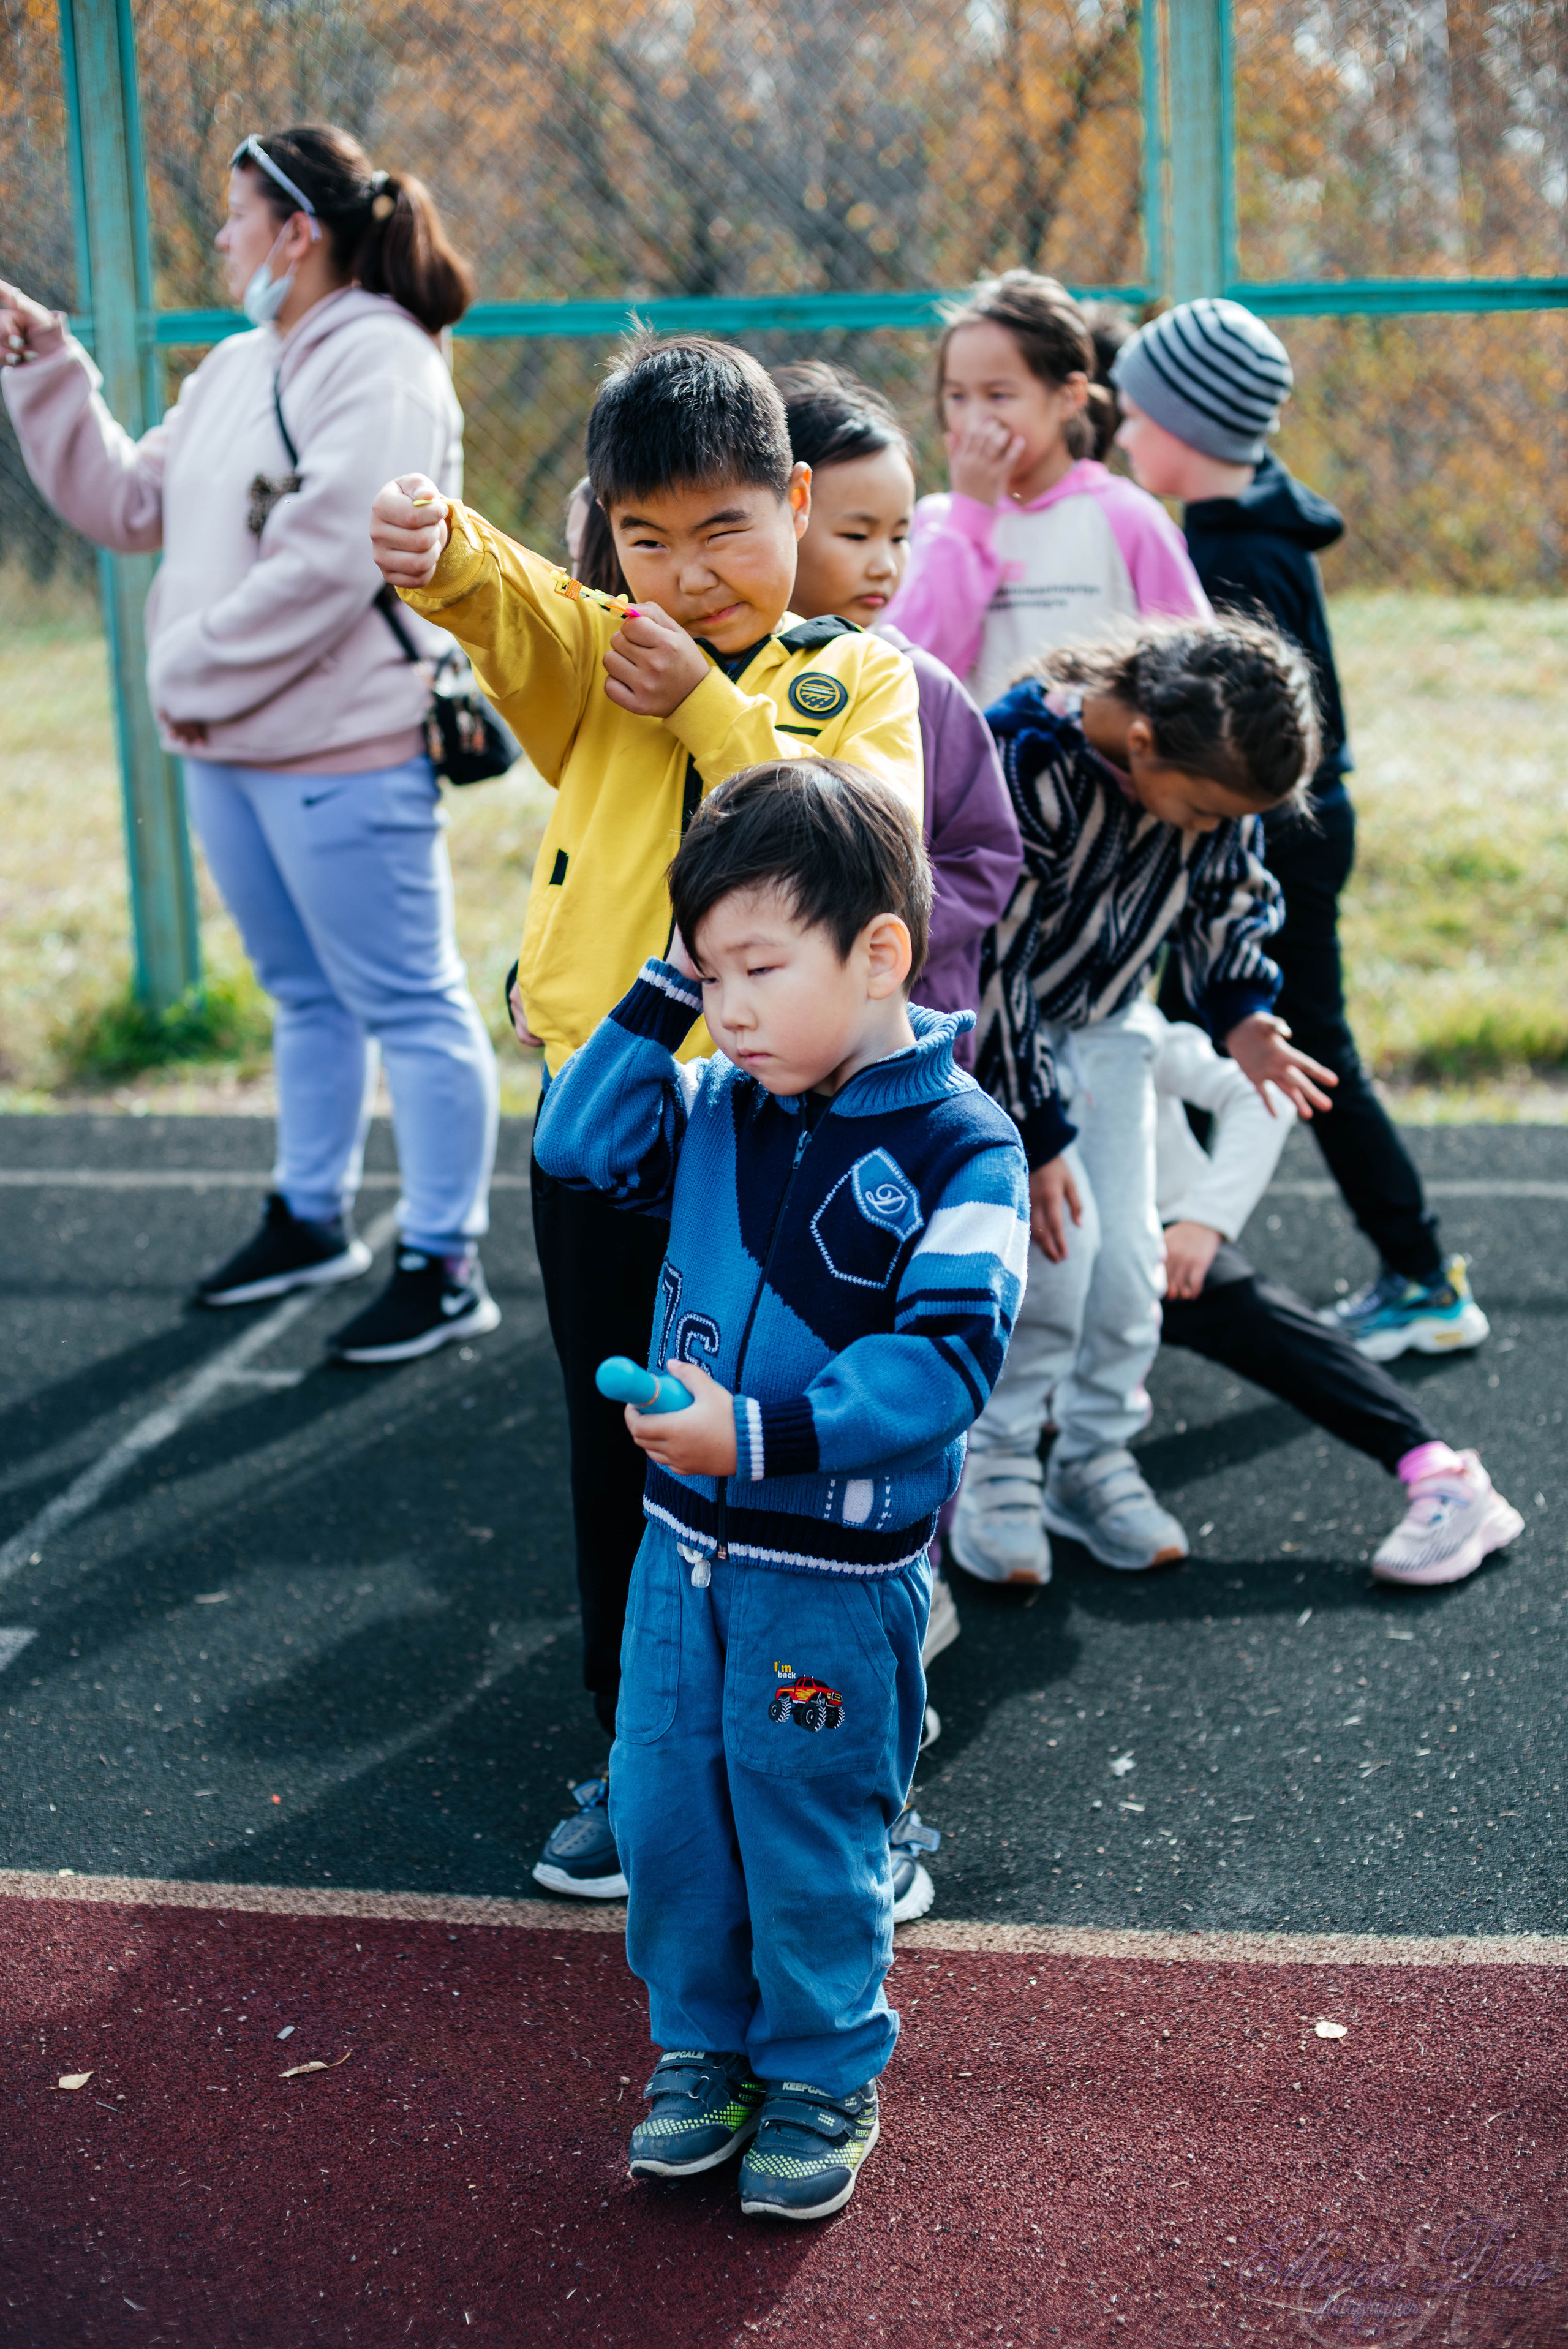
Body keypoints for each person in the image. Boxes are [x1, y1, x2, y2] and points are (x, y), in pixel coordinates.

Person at [368, 335, 924, 1897]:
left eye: (725, 529)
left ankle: (830, 1769)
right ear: (604, 529)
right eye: (644, 537)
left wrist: (705, 710)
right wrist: (437, 540)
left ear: (797, 501)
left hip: (787, 1132)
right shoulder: (604, 653)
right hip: (612, 1117)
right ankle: (636, 1754)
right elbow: (510, 607)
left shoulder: (852, 673)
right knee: (620, 1438)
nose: (686, 577)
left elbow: (854, 846)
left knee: (795, 1448)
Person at [532, 759, 1029, 2220]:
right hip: (678, 1557)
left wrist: (755, 1434)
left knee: (806, 1818)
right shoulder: (705, 1100)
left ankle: (819, 2067)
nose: (729, 1007)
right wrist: (653, 990)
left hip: (826, 1572)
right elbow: (571, 1147)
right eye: (708, 972)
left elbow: (939, 1365)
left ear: (879, 952)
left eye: (758, 967)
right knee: (667, 1810)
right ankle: (701, 2051)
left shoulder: (961, 1146)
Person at [0, 127, 501, 1365]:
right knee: (303, 995)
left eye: (236, 216)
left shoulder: (381, 359)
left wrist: (184, 664)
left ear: (299, 230)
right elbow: (125, 502)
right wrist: (48, 366)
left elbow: (334, 554)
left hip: (343, 747)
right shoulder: (238, 366)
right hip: (231, 745)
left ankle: (444, 1261)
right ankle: (309, 1215)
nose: (221, 240)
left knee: (409, 1000)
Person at [1112, 298, 1488, 1365]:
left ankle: (1419, 1274)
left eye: (1136, 414)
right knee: (1196, 1035)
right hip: (1287, 831)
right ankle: (1184, 1267)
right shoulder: (1251, 522)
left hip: (1281, 839)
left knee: (1296, 1047)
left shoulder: (1238, 555)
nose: (1125, 433)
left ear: (1188, 427)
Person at [951, 615, 1336, 1586]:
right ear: (1142, 742)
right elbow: (992, 957)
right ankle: (996, 1463)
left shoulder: (1210, 779)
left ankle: (1088, 1459)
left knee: (1128, 1268)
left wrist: (1245, 1013)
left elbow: (1230, 896)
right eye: (1202, 810)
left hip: (1114, 1033)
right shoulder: (1024, 759)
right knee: (1053, 1264)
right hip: (1011, 1042)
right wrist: (1033, 1132)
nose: (1209, 827)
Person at [773, 359, 1024, 1689]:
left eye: (899, 534)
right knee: (770, 1327)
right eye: (852, 533)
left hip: (890, 1091)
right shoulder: (697, 677)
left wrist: (877, 949)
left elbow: (986, 856)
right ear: (777, 509)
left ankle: (906, 1567)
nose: (882, 561)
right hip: (753, 1103)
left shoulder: (921, 692)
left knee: (895, 1324)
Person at [1147, 1001, 1522, 1585]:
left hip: (1148, 1236)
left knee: (1242, 1307)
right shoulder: (974, 1019)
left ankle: (1440, 1472)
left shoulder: (1118, 1023)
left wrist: (1204, 1218)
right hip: (1042, 1260)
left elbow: (1262, 1090)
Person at [883, 270, 1210, 707]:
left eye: (999, 396)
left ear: (1069, 396)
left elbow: (1191, 668)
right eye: (957, 397)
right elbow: (913, 674)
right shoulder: (938, 521)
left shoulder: (1127, 516)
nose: (975, 420)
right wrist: (971, 518)